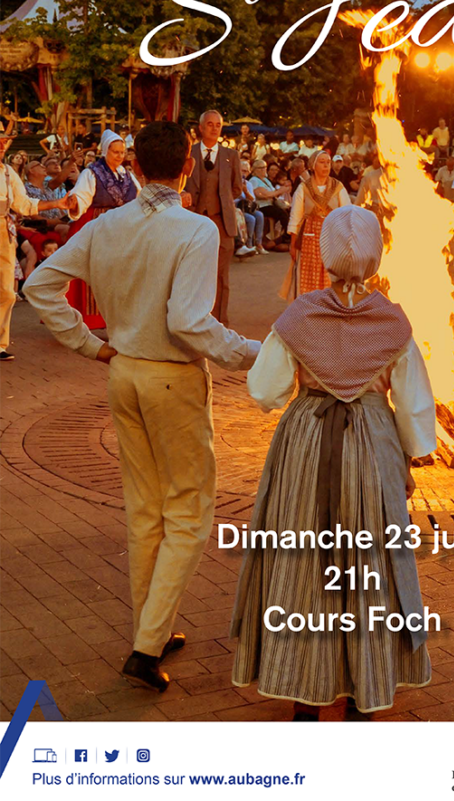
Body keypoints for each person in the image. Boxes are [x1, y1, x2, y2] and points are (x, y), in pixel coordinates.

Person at [24, 122, 261, 691]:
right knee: (187, 511)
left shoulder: (110, 223)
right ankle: (147, 643)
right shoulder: (195, 230)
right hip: (170, 379)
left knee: (145, 508)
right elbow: (189, 322)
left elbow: (40, 287)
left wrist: (90, 344)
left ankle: (150, 629)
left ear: (133, 166)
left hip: (124, 372)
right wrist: (254, 354)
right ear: (186, 165)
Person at [229, 205, 436, 718]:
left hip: (307, 438)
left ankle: (305, 691)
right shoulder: (392, 320)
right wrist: (409, 457)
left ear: (323, 256)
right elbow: (413, 409)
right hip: (371, 442)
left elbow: (265, 388)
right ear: (375, 254)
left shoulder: (299, 315)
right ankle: (362, 691)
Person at [0, 135, 69, 361]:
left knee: (6, 291)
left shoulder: (8, 173)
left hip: (4, 230)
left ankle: (0, 344)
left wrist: (56, 203)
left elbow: (24, 204)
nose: (2, 143)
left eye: (4, 139)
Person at [65, 130, 140, 330]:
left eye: (121, 152)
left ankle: (120, 318)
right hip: (101, 224)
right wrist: (74, 203)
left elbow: (140, 198)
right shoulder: (92, 172)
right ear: (105, 151)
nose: (119, 156)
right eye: (115, 151)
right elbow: (82, 196)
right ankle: (94, 319)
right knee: (98, 271)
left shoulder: (128, 175)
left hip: (124, 227)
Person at [186, 110, 243, 325]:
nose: (214, 128)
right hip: (194, 221)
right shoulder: (188, 153)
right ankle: (194, 319)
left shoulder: (231, 156)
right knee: (193, 272)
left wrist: (222, 203)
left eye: (217, 124)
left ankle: (219, 323)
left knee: (221, 276)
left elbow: (237, 188)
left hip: (222, 223)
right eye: (209, 124)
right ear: (201, 128)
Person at [283, 150, 350, 299]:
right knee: (309, 273)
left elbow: (347, 213)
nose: (326, 165)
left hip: (332, 236)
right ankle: (309, 308)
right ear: (313, 165)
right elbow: (295, 217)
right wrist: (293, 244)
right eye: (322, 162)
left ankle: (331, 308)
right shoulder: (304, 188)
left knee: (331, 274)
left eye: (328, 162)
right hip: (309, 237)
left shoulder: (338, 187)